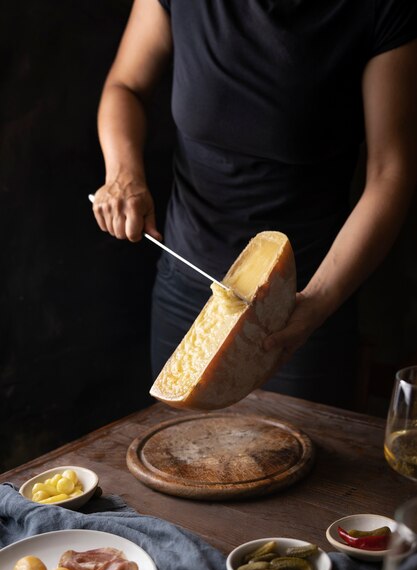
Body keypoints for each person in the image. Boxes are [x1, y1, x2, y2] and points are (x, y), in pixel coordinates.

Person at [91, 0, 417, 409]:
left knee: (309, 465)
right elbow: (126, 86)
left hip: (302, 304)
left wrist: (315, 305)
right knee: (180, 460)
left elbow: (391, 172)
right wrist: (123, 173)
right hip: (185, 293)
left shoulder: (381, 8)